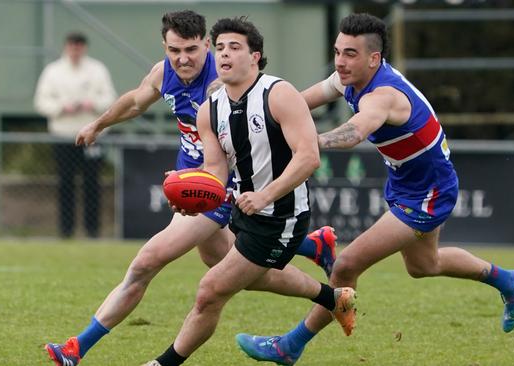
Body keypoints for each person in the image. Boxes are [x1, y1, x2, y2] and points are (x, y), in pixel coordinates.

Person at [236, 13, 514, 365]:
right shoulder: (347, 79)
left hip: (428, 193)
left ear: (373, 58)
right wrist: (247, 110)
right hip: (409, 182)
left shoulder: (383, 96)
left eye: (350, 53)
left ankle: (291, 345)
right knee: (425, 265)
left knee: (347, 265)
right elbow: (294, 103)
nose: (340, 61)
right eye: (337, 51)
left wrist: (311, 143)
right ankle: (510, 281)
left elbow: (355, 132)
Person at [44, 11, 337, 366]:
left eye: (191, 50)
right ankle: (321, 272)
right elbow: (136, 101)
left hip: (218, 187)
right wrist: (98, 124)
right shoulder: (163, 72)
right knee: (237, 271)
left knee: (147, 261)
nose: (182, 58)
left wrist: (202, 183)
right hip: (197, 178)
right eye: (174, 50)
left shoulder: (222, 83)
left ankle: (77, 347)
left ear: (206, 46)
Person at [142, 17, 357, 366]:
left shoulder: (279, 94)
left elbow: (308, 157)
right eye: (221, 47)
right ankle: (334, 298)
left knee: (210, 292)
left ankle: (162, 363)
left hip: (282, 216)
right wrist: (190, 190)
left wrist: (266, 195)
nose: (225, 53)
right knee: (257, 276)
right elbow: (214, 169)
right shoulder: (210, 110)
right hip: (245, 211)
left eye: (235, 47)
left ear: (255, 56)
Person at [34, 32, 117, 238]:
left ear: (84, 48)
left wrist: (93, 104)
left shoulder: (97, 69)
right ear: (66, 47)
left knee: (92, 183)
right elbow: (41, 102)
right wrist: (62, 107)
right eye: (72, 45)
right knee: (65, 183)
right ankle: (66, 231)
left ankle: (92, 231)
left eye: (79, 46)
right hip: (64, 136)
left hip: (91, 136)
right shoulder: (53, 71)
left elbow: (110, 98)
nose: (75, 50)